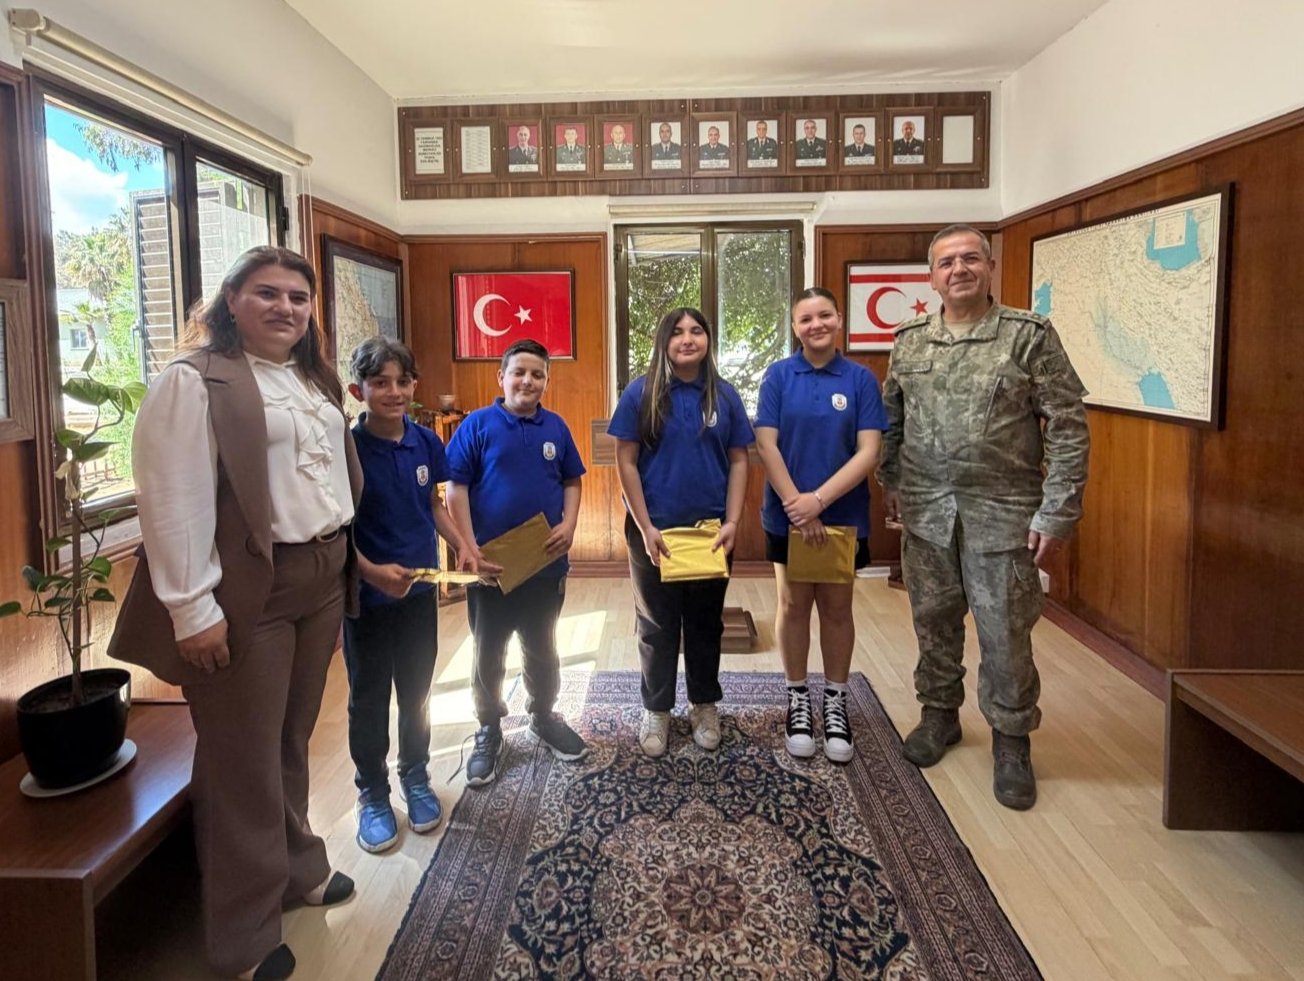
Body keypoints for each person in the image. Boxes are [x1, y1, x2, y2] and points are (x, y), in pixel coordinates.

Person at [108, 246, 359, 981]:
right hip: (249, 591)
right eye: (267, 293)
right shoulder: (192, 381)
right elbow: (172, 500)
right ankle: (244, 934)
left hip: (321, 577)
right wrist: (192, 609)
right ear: (230, 300)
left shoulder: (310, 378)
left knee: (289, 737)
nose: (286, 307)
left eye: (298, 297)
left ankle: (296, 866)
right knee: (240, 756)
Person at [878, 224, 1090, 811]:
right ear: (932, 277)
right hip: (926, 510)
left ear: (990, 267)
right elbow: (892, 418)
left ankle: (1012, 740)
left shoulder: (1028, 336)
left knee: (1005, 632)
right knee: (933, 621)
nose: (959, 269)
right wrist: (891, 482)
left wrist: (1057, 511)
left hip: (1004, 513)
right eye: (946, 262)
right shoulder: (910, 341)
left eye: (970, 258)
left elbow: (1068, 426)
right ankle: (939, 715)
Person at [343, 337, 482, 854]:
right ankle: (372, 793)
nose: (393, 392)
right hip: (366, 599)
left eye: (402, 381)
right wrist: (372, 572)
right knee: (369, 698)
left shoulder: (425, 442)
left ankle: (415, 776)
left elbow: (434, 503)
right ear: (358, 390)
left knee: (418, 692)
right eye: (380, 383)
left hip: (419, 594)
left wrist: (461, 545)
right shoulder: (346, 450)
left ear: (414, 385)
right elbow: (334, 531)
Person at [608, 308, 753, 757]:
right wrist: (645, 526)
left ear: (708, 339)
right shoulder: (641, 393)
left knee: (706, 622)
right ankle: (657, 709)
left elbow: (739, 460)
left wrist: (733, 522)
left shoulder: (724, 395)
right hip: (655, 532)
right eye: (677, 332)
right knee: (656, 623)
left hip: (711, 533)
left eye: (696, 330)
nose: (687, 338)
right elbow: (625, 462)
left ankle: (704, 705)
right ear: (663, 341)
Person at [446, 338, 588, 787]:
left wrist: (569, 523)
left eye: (538, 374)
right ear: (501, 377)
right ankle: (489, 727)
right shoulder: (477, 425)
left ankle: (542, 716)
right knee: (488, 651)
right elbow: (455, 488)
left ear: (547, 380)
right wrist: (467, 547)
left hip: (545, 565)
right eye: (519, 372)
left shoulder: (556, 427)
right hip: (492, 568)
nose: (528, 380)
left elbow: (572, 480)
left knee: (543, 647)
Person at [755, 287, 886, 763]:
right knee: (793, 605)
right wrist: (797, 504)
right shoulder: (778, 376)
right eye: (806, 319)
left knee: (836, 608)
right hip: (786, 514)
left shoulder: (860, 379)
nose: (816, 325)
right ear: (795, 327)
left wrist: (819, 502)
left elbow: (869, 451)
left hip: (842, 517)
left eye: (824, 315)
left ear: (839, 319)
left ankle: (834, 701)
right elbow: (765, 444)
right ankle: (797, 698)